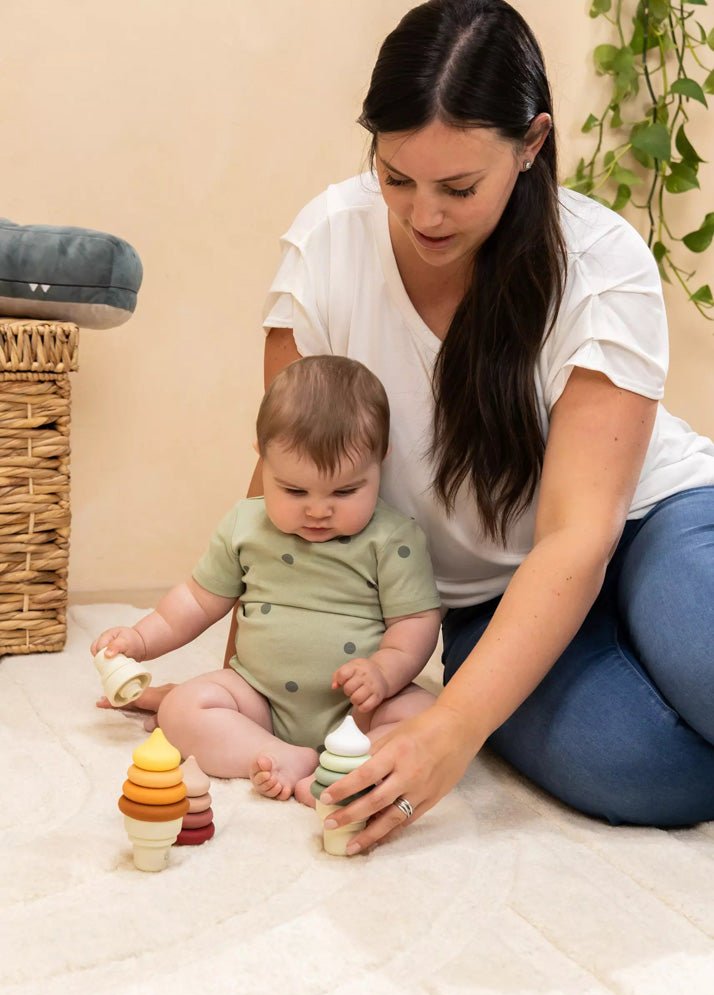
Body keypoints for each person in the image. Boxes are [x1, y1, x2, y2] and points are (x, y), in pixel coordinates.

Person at [238, 0, 714, 852]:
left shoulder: (601, 266)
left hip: (650, 523)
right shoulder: (329, 247)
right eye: (396, 178)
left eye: (459, 188)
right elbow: (284, 476)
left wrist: (453, 729)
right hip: (488, 599)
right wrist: (251, 685)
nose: (425, 216)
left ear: (531, 145)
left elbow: (578, 537)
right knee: (645, 771)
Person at [92, 355, 441, 801]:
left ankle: (349, 769)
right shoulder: (246, 525)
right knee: (181, 709)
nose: (318, 510)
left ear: (381, 460)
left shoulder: (393, 538)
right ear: (262, 458)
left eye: (345, 491)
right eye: (295, 490)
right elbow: (196, 601)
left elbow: (415, 622)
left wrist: (384, 672)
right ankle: (276, 755)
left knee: (426, 716)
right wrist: (140, 640)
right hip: (260, 700)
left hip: (359, 708)